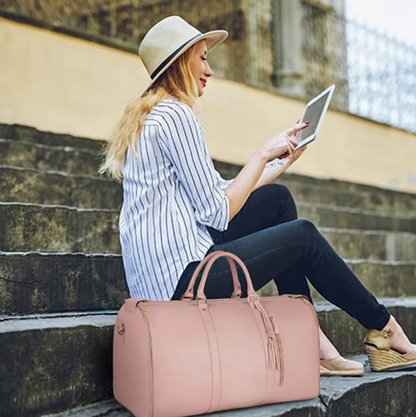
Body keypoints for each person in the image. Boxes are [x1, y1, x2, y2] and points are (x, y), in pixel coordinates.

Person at [99, 15, 416, 376]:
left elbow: (216, 191)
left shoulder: (154, 115)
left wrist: (280, 161)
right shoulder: (175, 115)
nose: (209, 69)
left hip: (170, 278)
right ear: (180, 60)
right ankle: (385, 330)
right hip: (185, 283)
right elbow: (218, 213)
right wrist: (262, 153)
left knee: (277, 200)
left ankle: (309, 338)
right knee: (304, 236)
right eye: (202, 57)